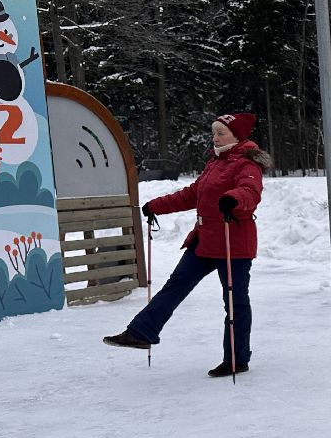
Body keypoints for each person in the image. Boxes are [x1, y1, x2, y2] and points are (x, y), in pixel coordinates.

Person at [103, 112, 270, 377]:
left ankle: (237, 359)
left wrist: (234, 199)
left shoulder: (247, 163)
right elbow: (192, 194)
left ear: (237, 136)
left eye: (221, 133)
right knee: (175, 285)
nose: (215, 138)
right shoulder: (215, 163)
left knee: (234, 301)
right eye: (213, 132)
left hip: (232, 241)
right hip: (204, 240)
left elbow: (250, 191)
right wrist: (157, 205)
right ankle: (141, 332)